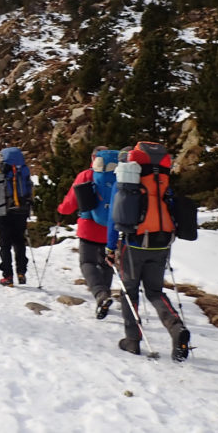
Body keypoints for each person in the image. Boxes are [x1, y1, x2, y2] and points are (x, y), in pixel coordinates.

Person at [106, 142, 191, 362]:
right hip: (162, 242)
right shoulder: (161, 181)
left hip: (134, 244)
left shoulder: (127, 182)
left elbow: (114, 218)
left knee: (129, 290)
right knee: (155, 292)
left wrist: (110, 246)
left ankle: (132, 341)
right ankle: (176, 328)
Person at [57, 146, 118, 319]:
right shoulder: (120, 176)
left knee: (87, 263)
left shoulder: (86, 175)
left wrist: (61, 209)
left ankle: (101, 295)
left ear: (94, 157)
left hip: (89, 228)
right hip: (111, 231)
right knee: (107, 263)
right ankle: (104, 295)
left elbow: (70, 202)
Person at [0, 147, 34, 287]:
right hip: (22, 211)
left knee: (5, 245)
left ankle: (8, 276)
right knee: (19, 242)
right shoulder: (24, 170)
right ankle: (21, 272)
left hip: (4, 213)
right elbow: (30, 188)